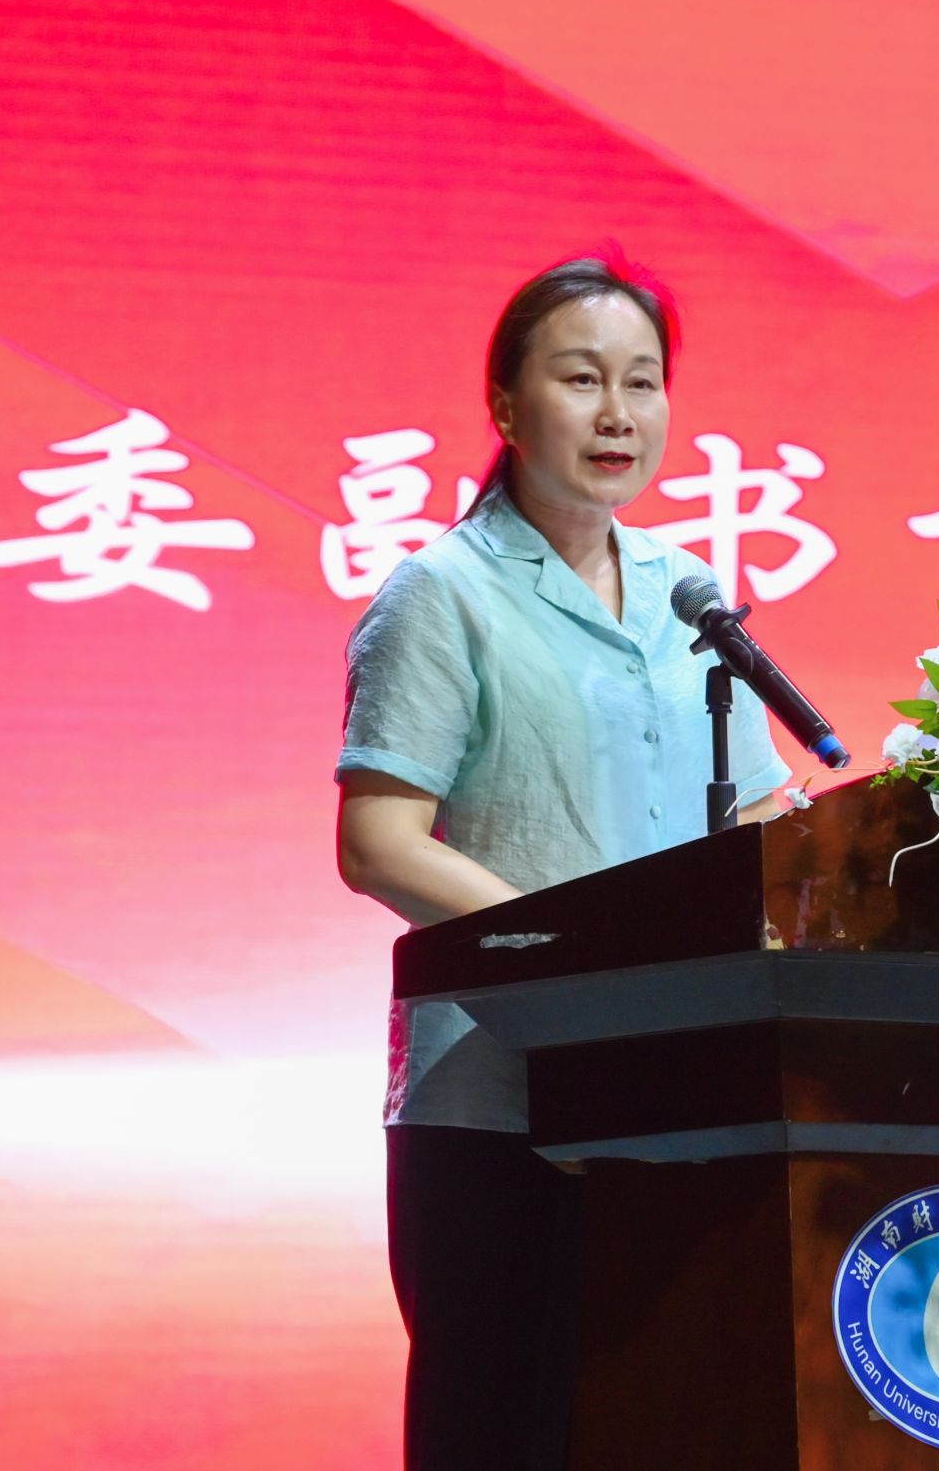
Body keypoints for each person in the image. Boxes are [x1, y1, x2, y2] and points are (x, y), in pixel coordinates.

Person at [333, 249, 791, 1469]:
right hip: (498, 1098)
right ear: (504, 402)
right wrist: (578, 959)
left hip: (679, 1089)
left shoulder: (689, 595)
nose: (616, 413)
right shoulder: (443, 594)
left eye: (641, 382)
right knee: (507, 1433)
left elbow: (759, 814)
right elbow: (377, 840)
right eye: (580, 379)